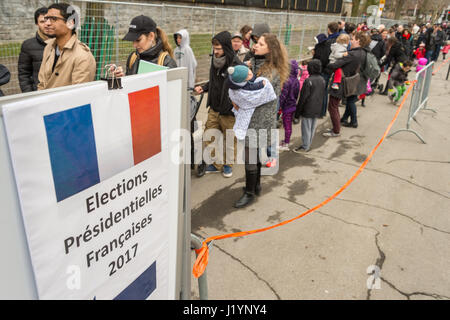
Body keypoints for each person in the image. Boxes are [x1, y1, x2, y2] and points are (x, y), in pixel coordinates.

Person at [234, 33, 288, 208]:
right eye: (256, 42)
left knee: (250, 155)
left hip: (259, 120)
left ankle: (250, 192)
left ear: (270, 50)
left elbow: (252, 96)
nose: (256, 45)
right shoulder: (255, 64)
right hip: (255, 119)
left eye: (261, 44)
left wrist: (237, 99)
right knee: (254, 154)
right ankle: (255, 185)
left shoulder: (270, 72)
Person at [195, 31, 241, 178]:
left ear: (226, 47)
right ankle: (216, 163)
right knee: (209, 135)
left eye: (218, 48)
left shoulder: (236, 65)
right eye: (214, 48)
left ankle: (228, 164)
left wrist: (235, 105)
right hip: (214, 108)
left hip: (229, 111)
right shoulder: (214, 60)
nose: (215, 51)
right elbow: (214, 82)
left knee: (229, 139)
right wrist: (204, 87)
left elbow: (243, 87)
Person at [37, 3, 96, 90]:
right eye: (46, 19)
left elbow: (79, 94)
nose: (47, 23)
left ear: (70, 23)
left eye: (53, 19)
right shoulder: (49, 47)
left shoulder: (82, 56)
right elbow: (42, 83)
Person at [326, 31, 371, 131]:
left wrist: (330, 61)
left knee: (332, 107)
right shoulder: (362, 52)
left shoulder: (352, 54)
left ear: (358, 41)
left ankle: (336, 130)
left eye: (352, 39)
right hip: (350, 80)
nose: (350, 41)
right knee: (335, 106)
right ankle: (339, 125)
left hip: (340, 82)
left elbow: (334, 65)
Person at [227, 65, 276, 140]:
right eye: (248, 75)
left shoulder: (235, 81)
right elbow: (252, 87)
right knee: (244, 121)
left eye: (249, 70)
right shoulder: (244, 85)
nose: (251, 73)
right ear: (243, 80)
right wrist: (261, 84)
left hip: (241, 109)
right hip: (247, 109)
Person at [173, 29, 198, 169]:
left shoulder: (188, 50)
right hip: (178, 86)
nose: (178, 40)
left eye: (180, 38)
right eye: (176, 38)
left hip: (187, 87)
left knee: (188, 124)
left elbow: (193, 65)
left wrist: (190, 84)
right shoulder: (176, 51)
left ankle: (191, 159)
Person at [293, 59, 324, 152]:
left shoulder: (308, 81)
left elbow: (303, 98)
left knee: (306, 128)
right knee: (312, 128)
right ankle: (308, 144)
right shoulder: (322, 80)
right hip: (317, 108)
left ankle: (305, 146)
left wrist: (297, 113)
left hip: (307, 109)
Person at [18, 7, 51, 92]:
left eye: (49, 20)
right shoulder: (28, 45)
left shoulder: (61, 42)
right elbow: (24, 74)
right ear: (37, 23)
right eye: (42, 21)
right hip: (38, 92)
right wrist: (29, 95)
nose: (47, 24)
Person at [316, 22, 340, 118]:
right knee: (325, 90)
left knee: (323, 90)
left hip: (326, 69)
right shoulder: (338, 40)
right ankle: (323, 111)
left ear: (329, 29)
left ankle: (321, 111)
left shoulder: (329, 42)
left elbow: (325, 57)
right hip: (332, 68)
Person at [278, 59, 300, 151]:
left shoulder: (287, 81)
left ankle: (286, 143)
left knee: (287, 125)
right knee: (288, 124)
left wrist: (279, 105)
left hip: (287, 106)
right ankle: (286, 140)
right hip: (292, 104)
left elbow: (283, 95)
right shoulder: (296, 80)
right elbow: (296, 93)